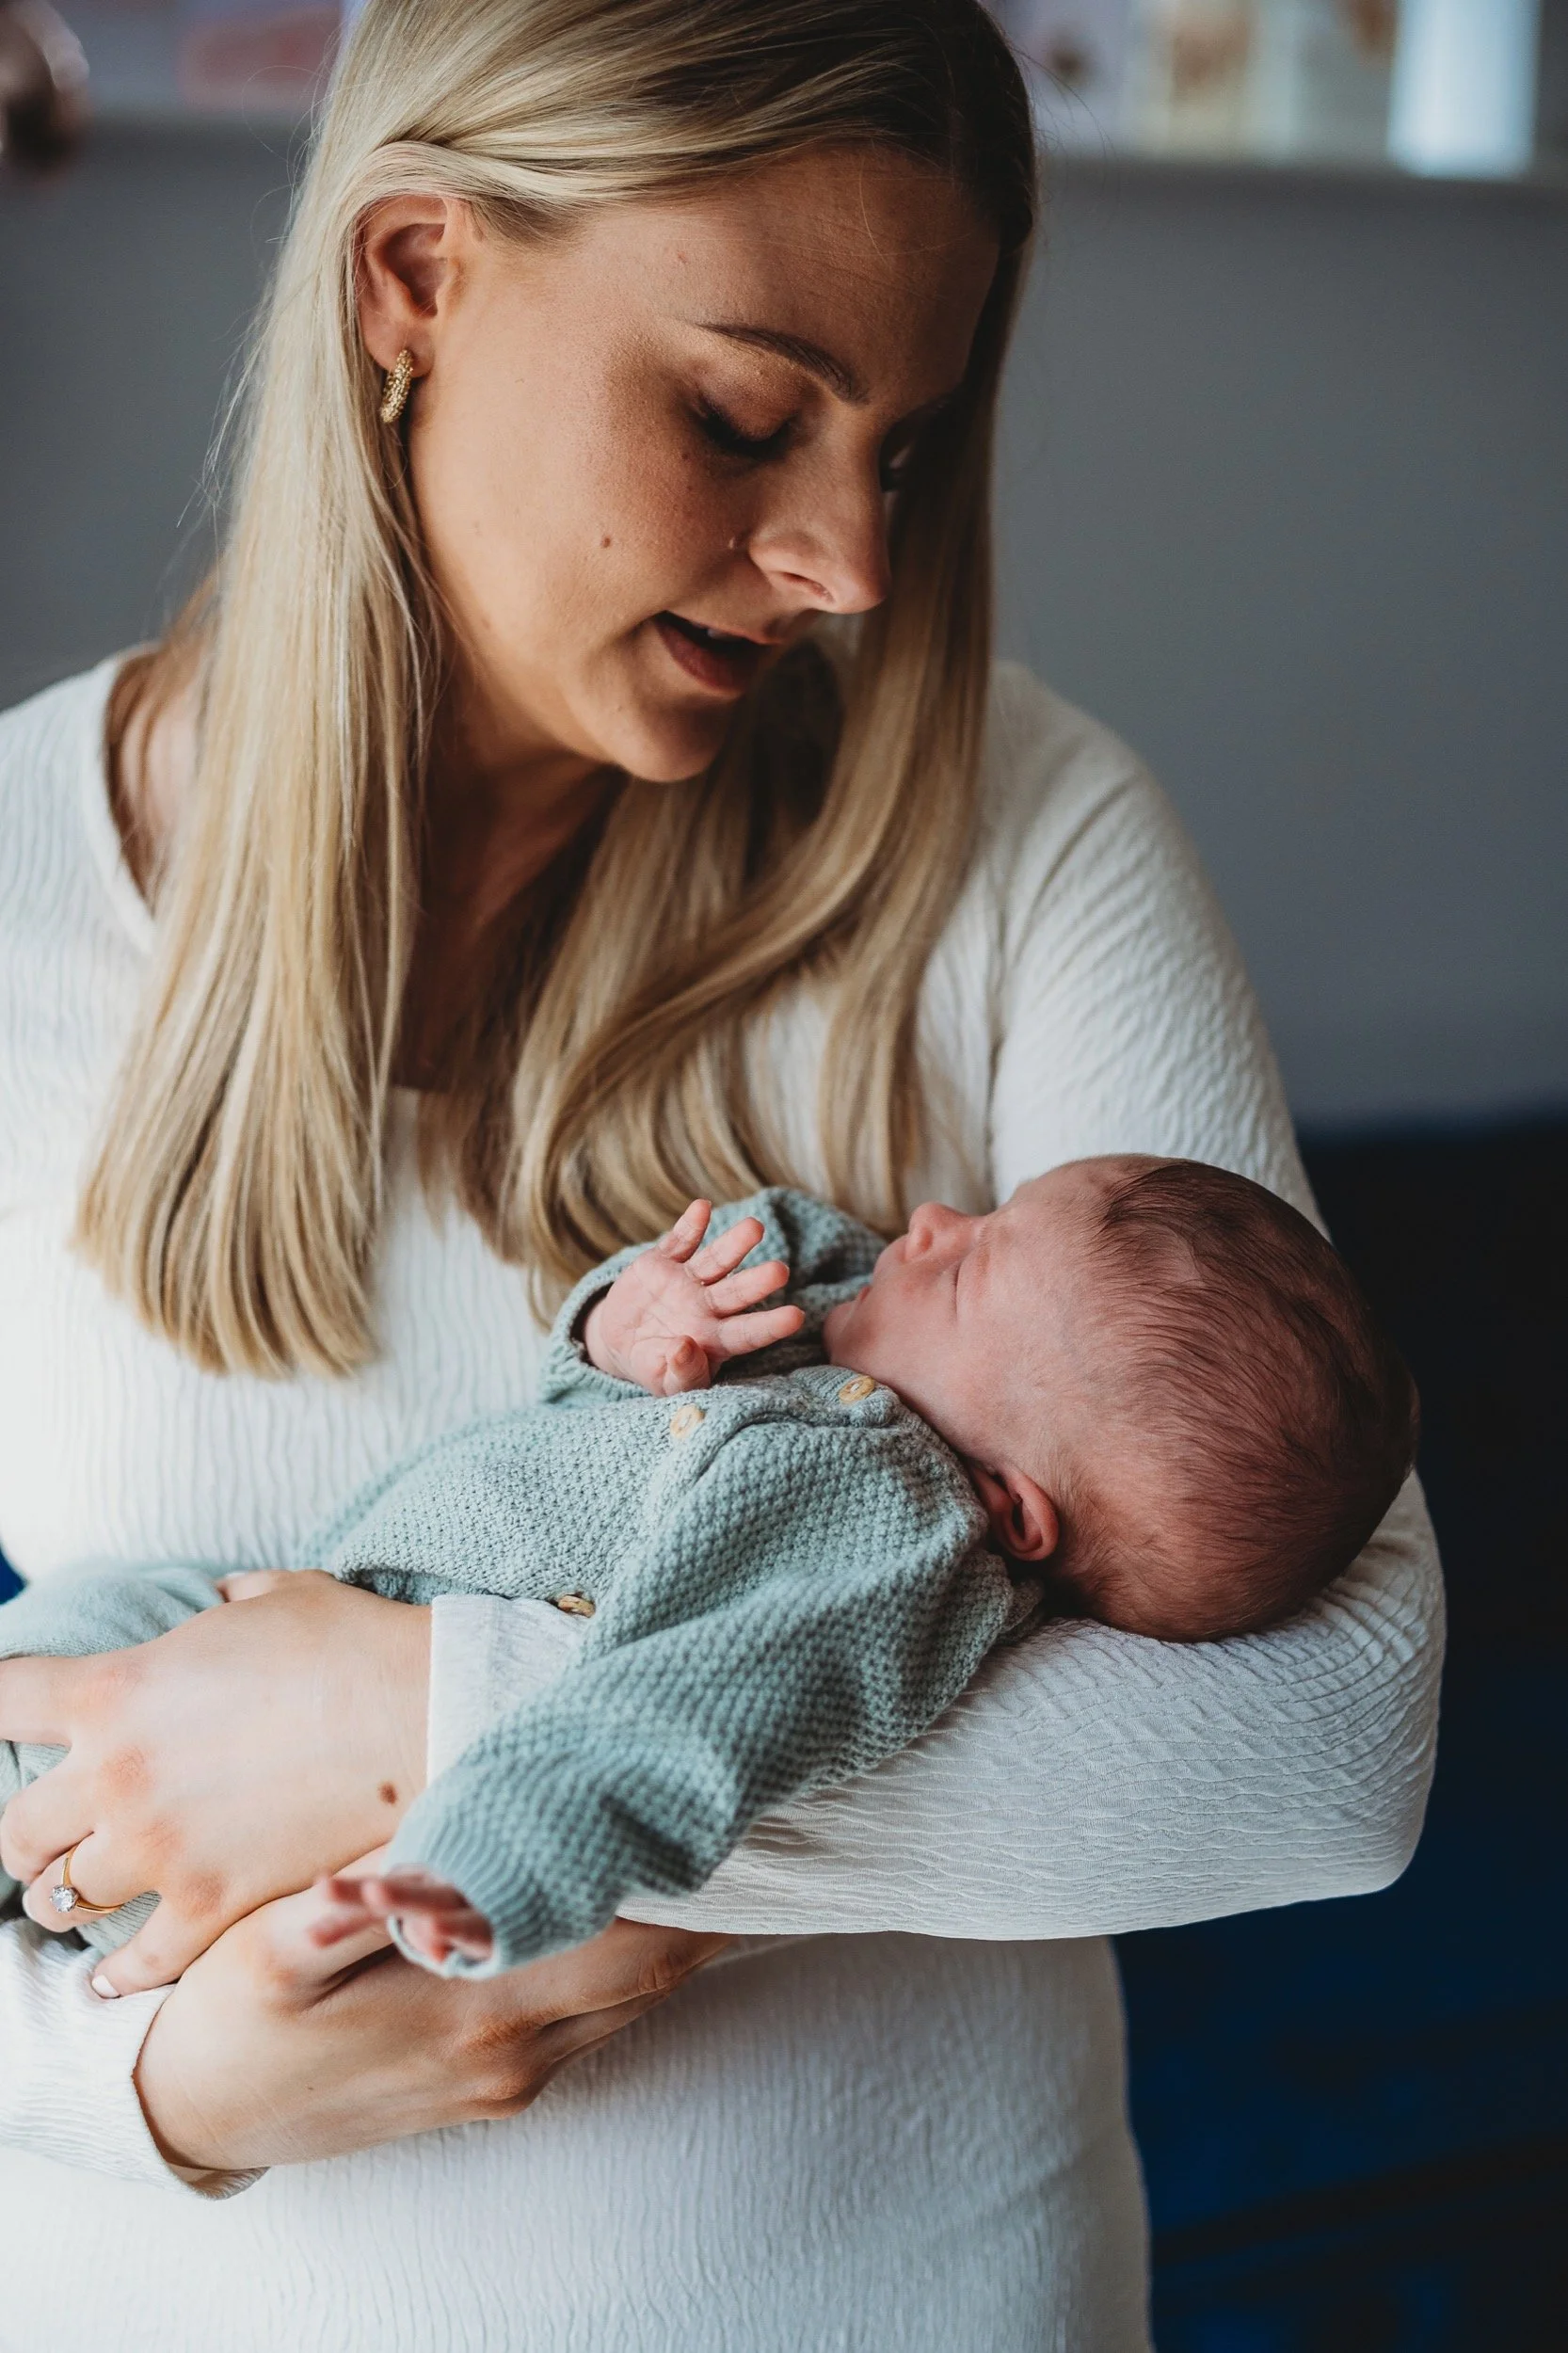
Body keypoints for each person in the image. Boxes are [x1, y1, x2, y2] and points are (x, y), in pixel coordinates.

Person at [0, 1, 1443, 2345]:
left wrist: (416, 1712)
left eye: (910, 442)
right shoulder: (10, 896)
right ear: (411, 282)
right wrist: (151, 2085)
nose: (848, 563)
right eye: (744, 413)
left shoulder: (1015, 836)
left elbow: (1320, 1746)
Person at [1, 1158, 1418, 1987]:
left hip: (295, 1811)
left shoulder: (878, 1539)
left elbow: (675, 1720)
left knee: (59, 1704)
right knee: (81, 1625)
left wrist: (481, 1874)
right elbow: (575, 1432)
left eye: (972, 1269)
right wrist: (624, 1332)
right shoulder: (832, 1364)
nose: (928, 1220)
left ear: (1012, 1507)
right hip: (279, 1608)